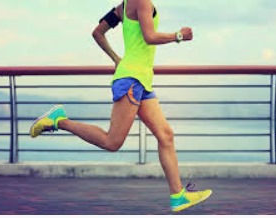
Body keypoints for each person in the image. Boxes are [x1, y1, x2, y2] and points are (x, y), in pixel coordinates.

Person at [30, 0, 212, 212]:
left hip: (141, 81)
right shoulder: (141, 1)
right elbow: (149, 37)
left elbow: (98, 32)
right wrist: (178, 36)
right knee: (112, 141)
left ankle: (178, 196)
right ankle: (59, 121)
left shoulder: (124, 6)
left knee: (165, 135)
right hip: (132, 81)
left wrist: (117, 58)